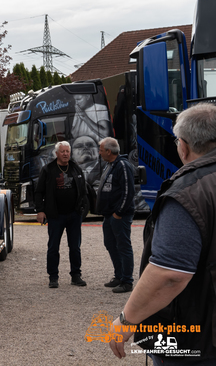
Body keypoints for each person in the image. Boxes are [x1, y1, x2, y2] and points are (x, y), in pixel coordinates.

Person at [109, 103, 216, 363]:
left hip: (197, 343)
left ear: (183, 145)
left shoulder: (188, 192)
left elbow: (170, 274)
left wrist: (127, 319)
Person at [34, 141, 89, 288]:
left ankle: (76, 276)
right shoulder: (48, 170)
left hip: (74, 215)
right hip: (55, 215)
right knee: (53, 247)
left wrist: (82, 208)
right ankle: (53, 277)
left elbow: (83, 190)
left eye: (67, 151)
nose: (65, 154)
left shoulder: (76, 168)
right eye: (63, 151)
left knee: (75, 247)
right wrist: (40, 210)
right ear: (57, 153)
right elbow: (39, 192)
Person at [97, 137, 135, 293]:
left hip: (119, 216)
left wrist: (118, 213)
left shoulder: (123, 166)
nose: (99, 153)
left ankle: (127, 281)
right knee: (110, 244)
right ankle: (119, 276)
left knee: (123, 246)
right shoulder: (110, 165)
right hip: (109, 216)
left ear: (108, 151)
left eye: (100, 150)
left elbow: (128, 191)